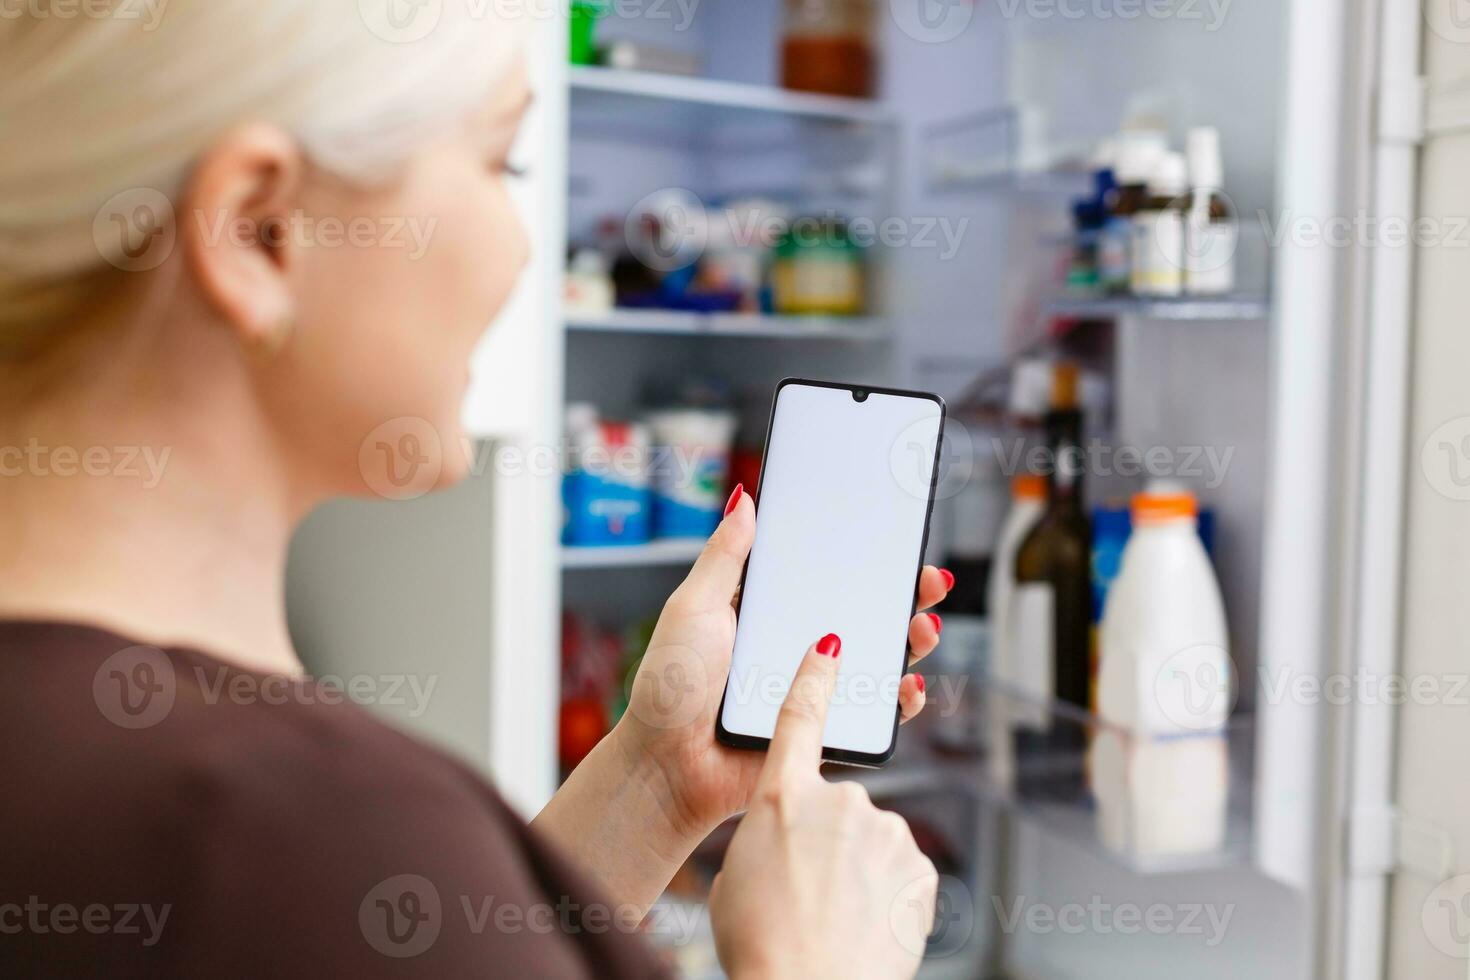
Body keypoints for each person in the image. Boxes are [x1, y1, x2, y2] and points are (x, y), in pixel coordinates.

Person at [0, 2, 947, 976]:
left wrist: (655, 780)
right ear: (257, 229)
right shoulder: (310, 823)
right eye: (504, 164)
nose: (526, 249)